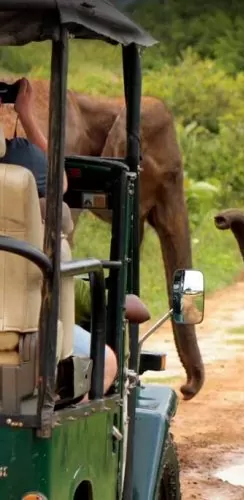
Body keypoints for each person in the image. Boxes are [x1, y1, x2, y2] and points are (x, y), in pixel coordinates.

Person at [1, 78, 150, 398]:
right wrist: (24, 114)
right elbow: (61, 182)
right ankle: (72, 428)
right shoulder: (23, 160)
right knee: (108, 361)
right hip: (24, 340)